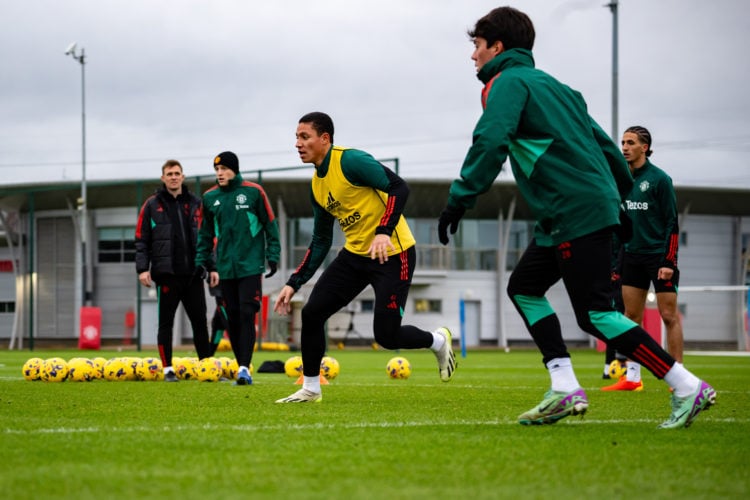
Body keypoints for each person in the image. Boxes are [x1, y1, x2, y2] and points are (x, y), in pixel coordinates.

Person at [437, 6, 715, 428]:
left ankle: (686, 385)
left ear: (497, 46)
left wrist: (460, 197)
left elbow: (491, 138)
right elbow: (605, 147)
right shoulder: (557, 87)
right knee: (525, 287)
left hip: (573, 210)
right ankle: (565, 387)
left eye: (476, 45)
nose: (472, 55)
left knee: (597, 314)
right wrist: (615, 200)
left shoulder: (505, 82)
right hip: (570, 213)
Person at [273, 111, 457, 403]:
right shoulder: (317, 186)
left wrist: (384, 230)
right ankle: (311, 388)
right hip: (356, 255)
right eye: (296, 137)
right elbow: (321, 240)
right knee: (312, 313)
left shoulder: (350, 160)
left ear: (325, 139)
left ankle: (438, 341)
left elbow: (400, 187)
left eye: (304, 136)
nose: (298, 143)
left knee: (386, 336)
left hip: (393, 253)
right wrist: (294, 282)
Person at [603, 126, 683, 391]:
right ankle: (633, 378)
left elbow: (672, 222)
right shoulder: (620, 180)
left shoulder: (660, 179)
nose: (624, 147)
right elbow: (617, 222)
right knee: (630, 317)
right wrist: (615, 262)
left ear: (645, 147)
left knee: (668, 316)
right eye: (623, 142)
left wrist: (668, 262)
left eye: (631, 142)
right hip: (631, 256)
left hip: (658, 258)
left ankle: (679, 377)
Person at [195, 151, 281, 385]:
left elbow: (270, 224)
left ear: (234, 169)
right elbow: (205, 233)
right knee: (231, 318)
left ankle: (244, 368)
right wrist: (201, 261)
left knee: (246, 313)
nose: (219, 174)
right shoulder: (210, 198)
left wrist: (273, 255)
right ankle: (241, 365)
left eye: (224, 169)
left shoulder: (253, 192)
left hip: (250, 266)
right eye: (217, 170)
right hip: (225, 268)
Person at [135, 159, 213, 382]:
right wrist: (142, 269)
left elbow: (208, 237)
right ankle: (168, 369)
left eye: (177, 173)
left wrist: (212, 267)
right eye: (169, 174)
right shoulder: (152, 205)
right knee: (165, 324)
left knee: (200, 323)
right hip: (166, 276)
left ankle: (206, 367)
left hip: (193, 276)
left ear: (183, 176)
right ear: (163, 178)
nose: (173, 177)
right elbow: (141, 239)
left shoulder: (196, 203)